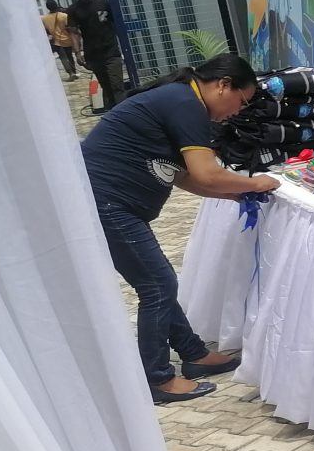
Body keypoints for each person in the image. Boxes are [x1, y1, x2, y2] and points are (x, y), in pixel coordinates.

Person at [81, 54, 281, 403]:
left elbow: (185, 176)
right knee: (157, 284)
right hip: (109, 203)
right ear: (223, 86)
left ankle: (194, 354)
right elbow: (207, 174)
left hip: (112, 202)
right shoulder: (186, 104)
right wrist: (257, 182)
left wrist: (235, 192)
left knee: (157, 279)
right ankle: (157, 379)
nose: (237, 111)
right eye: (241, 101)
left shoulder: (181, 98)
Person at [66, 0, 126, 110]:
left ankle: (124, 113)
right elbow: (74, 32)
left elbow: (116, 23)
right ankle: (112, 113)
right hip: (93, 54)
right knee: (106, 87)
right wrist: (77, 52)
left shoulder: (104, 3)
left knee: (117, 85)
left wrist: (123, 45)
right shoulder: (74, 10)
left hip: (111, 51)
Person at [41, 0, 76, 79]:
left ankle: (70, 73)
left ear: (47, 7)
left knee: (63, 57)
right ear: (56, 5)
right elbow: (69, 28)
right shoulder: (64, 16)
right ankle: (74, 72)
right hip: (67, 40)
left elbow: (46, 30)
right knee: (69, 56)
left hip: (56, 41)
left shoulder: (44, 18)